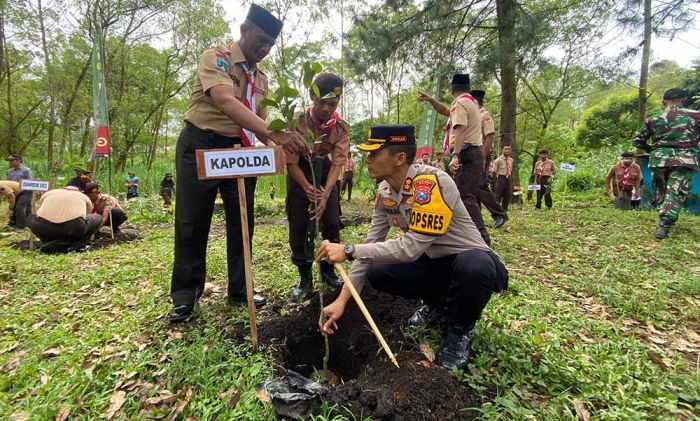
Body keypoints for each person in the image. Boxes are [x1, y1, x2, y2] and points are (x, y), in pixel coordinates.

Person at [316, 124, 508, 371]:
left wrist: (349, 250)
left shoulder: (430, 183)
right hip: (436, 263)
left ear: (399, 158)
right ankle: (437, 305)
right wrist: (342, 300)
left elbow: (409, 248)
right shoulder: (385, 191)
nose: (368, 160)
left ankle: (458, 332)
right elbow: (371, 243)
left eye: (375, 154)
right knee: (377, 271)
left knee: (474, 266)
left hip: (470, 260)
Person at [169, 4, 308, 322]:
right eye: (261, 39)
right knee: (192, 221)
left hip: (241, 150)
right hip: (201, 145)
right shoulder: (216, 57)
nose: (265, 48)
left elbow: (258, 121)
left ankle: (241, 288)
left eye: (271, 44)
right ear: (244, 30)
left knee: (243, 222)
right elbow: (226, 100)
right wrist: (276, 133)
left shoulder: (262, 79)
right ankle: (186, 295)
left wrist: (277, 144)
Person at [287, 73, 348, 301]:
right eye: (322, 103)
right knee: (300, 224)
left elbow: (338, 162)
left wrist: (325, 194)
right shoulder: (296, 121)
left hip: (326, 173)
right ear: (312, 96)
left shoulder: (340, 127)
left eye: (332, 104)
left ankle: (328, 271)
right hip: (300, 172)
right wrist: (306, 187)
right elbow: (291, 161)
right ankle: (305, 277)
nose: (327, 109)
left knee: (331, 221)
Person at [418, 74, 493, 245]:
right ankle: (464, 231)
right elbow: (446, 111)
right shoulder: (471, 102)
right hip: (474, 152)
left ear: (453, 88)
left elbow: (459, 128)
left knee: (465, 196)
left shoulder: (460, 103)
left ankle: (482, 237)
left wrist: (456, 154)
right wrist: (431, 100)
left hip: (466, 153)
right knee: (463, 194)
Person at [633, 88, 700, 239]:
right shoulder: (696, 116)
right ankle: (664, 223)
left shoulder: (653, 119)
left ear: (664, 102)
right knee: (675, 192)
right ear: (683, 100)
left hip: (659, 160)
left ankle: (663, 214)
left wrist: (653, 149)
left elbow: (637, 140)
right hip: (685, 159)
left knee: (663, 192)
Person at [470, 89, 508, 229]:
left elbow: (490, 136)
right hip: (474, 154)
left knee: (480, 184)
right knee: (473, 186)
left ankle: (499, 214)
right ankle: (476, 216)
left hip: (481, 154)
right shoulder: (474, 115)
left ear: (476, 101)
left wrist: (482, 155)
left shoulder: (484, 115)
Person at [27, 186, 104, 253]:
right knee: (97, 217)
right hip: (71, 229)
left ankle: (46, 241)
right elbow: (87, 214)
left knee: (31, 217)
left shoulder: (49, 193)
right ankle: (78, 244)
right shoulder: (84, 197)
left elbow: (41, 206)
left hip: (43, 227)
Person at [5, 154, 33, 229]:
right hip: (14, 192)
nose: (10, 162)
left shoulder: (26, 170)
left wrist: (21, 189)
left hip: (25, 191)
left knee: (19, 207)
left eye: (12, 160)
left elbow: (30, 182)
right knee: (15, 207)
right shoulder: (10, 171)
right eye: (9, 161)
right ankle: (14, 223)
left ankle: (21, 226)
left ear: (18, 161)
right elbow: (7, 182)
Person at [491, 145, 514, 211]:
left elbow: (510, 170)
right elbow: (494, 171)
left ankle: (505, 208)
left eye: (509, 149)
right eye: (506, 149)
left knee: (507, 194)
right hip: (501, 178)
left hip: (508, 178)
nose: (507, 151)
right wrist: (496, 180)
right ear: (502, 150)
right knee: (498, 194)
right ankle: (496, 209)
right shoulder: (498, 160)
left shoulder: (511, 160)